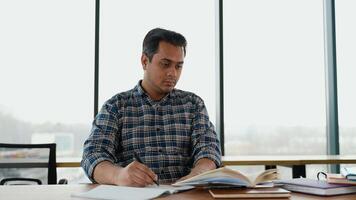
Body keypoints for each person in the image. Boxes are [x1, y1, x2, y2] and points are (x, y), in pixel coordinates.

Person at [81, 28, 221, 186]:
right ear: (144, 61)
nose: (172, 73)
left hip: (184, 195)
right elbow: (92, 155)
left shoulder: (194, 105)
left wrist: (198, 174)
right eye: (165, 64)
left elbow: (208, 149)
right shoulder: (116, 106)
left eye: (178, 66)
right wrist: (118, 175)